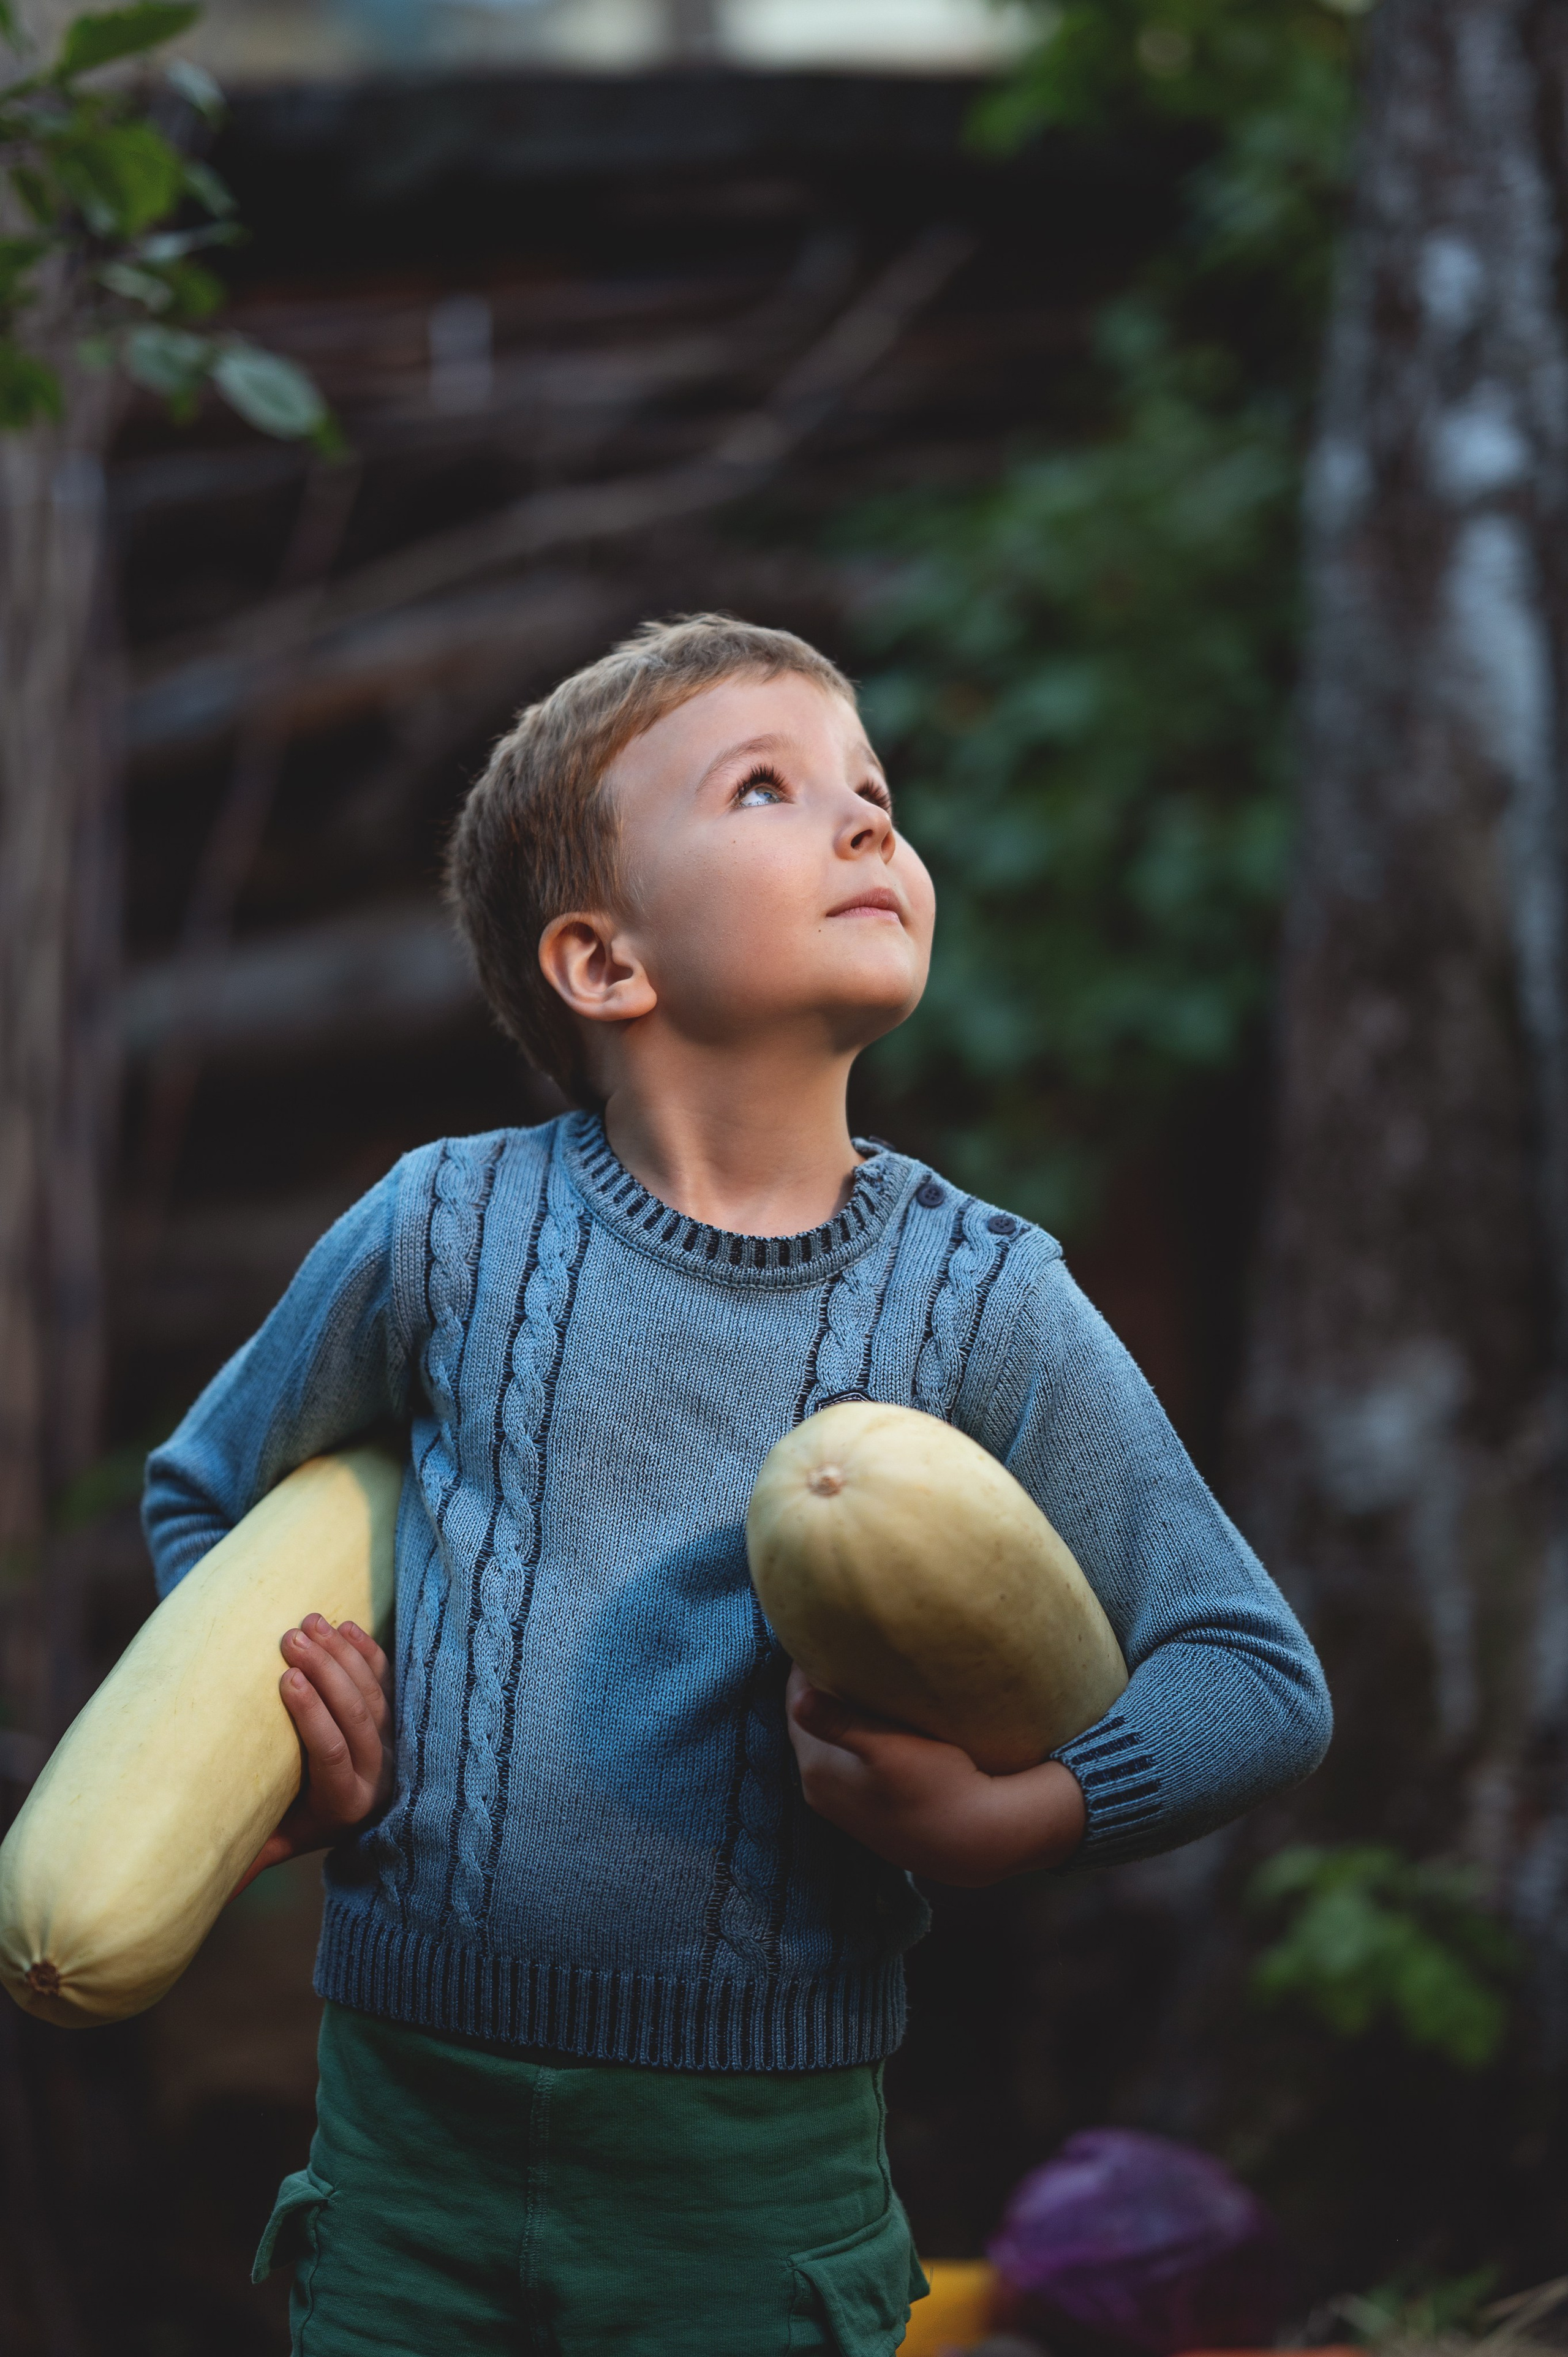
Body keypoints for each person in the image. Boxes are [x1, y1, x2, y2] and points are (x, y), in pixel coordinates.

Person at [141, 614, 1332, 2357]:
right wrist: (296, 1760)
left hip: (752, 2197)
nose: (865, 825)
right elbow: (203, 1498)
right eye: (767, 788)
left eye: (875, 794)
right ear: (602, 960)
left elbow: (1255, 1678)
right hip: (405, 2158)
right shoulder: (441, 1232)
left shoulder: (985, 1301)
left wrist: (1022, 1818)